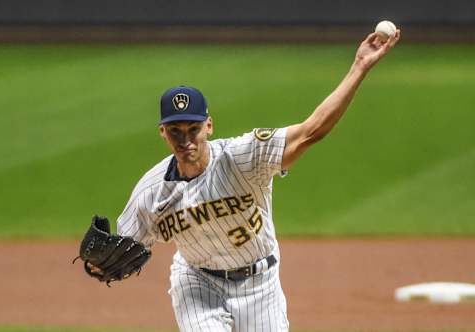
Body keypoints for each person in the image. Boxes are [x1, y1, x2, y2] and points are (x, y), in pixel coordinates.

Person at [116, 30, 400, 332]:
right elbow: (123, 248)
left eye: (193, 128)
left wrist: (359, 67)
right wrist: (99, 263)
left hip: (259, 284)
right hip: (196, 283)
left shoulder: (244, 157)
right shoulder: (151, 190)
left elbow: (310, 132)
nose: (185, 139)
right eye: (175, 131)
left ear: (209, 126)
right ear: (163, 132)